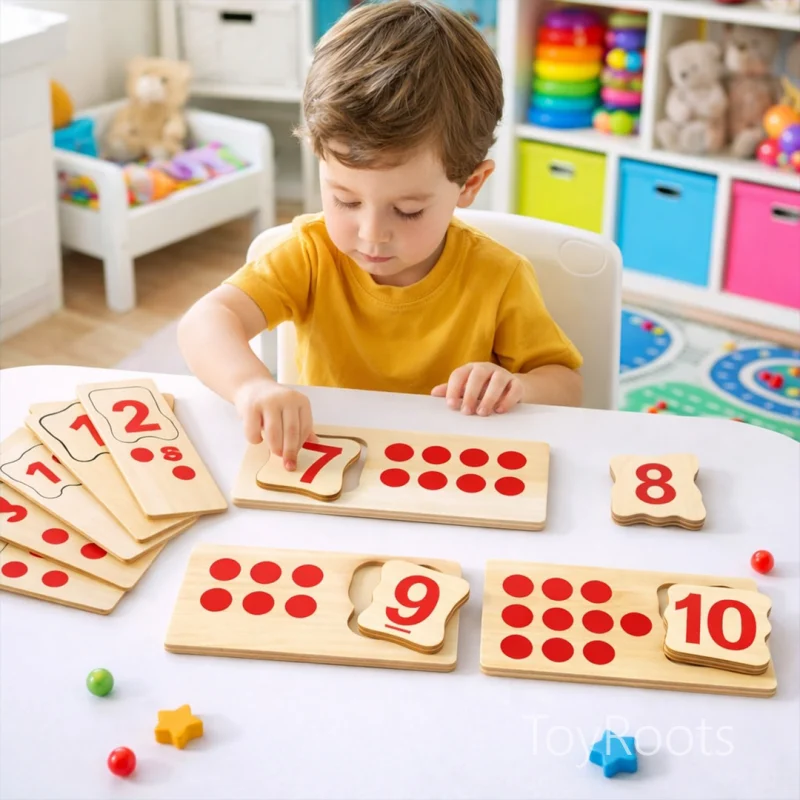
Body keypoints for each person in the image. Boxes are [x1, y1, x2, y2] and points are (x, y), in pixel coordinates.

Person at [178, 0, 583, 472]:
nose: (371, 235)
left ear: (469, 184)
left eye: (407, 211)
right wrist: (251, 385)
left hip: (449, 475)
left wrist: (519, 387)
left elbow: (567, 386)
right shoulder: (311, 255)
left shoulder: (499, 276)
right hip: (329, 471)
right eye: (345, 201)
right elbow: (205, 321)